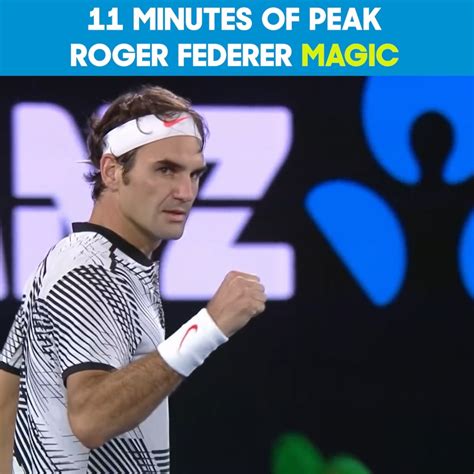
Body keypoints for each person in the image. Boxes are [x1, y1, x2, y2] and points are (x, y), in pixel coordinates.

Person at [0, 85, 267, 473]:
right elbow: (92, 420)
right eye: (165, 170)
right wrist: (208, 327)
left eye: (195, 174)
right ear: (112, 171)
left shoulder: (88, 260)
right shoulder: (89, 270)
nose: (186, 192)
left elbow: (7, 397)